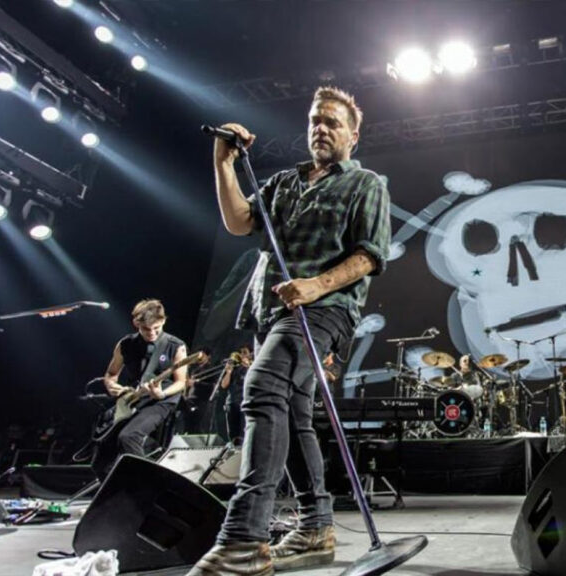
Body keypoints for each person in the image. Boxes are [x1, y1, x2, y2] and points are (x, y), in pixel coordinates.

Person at [189, 86, 390, 576]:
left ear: (353, 136)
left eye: (333, 123)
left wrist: (316, 285)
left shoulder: (366, 184)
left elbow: (368, 257)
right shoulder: (283, 182)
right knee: (296, 416)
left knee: (263, 387)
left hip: (326, 308)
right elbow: (239, 222)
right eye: (315, 121)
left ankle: (244, 539)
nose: (321, 129)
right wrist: (225, 165)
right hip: (271, 311)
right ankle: (316, 528)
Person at [92, 299, 187, 480]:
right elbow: (111, 373)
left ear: (163, 321)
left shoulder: (176, 345)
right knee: (101, 455)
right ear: (137, 323)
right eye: (146, 329)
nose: (151, 333)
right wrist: (112, 385)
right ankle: (115, 493)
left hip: (162, 400)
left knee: (129, 436)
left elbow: (181, 382)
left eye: (156, 328)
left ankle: (146, 485)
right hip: (133, 399)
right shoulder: (125, 344)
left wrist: (162, 393)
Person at [217, 346, 252, 445]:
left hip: (245, 403)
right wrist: (228, 372)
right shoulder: (235, 368)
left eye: (245, 352)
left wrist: (248, 366)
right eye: (240, 352)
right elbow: (224, 385)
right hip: (231, 402)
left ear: (250, 355)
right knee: (232, 434)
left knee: (243, 432)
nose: (241, 355)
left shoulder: (253, 368)